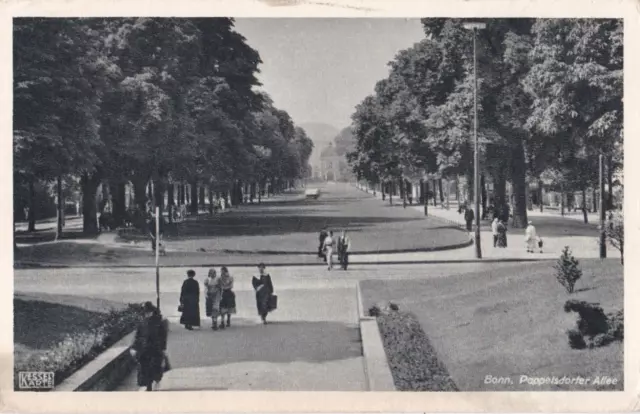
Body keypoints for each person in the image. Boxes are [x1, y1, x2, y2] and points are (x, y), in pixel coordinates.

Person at [130, 301, 168, 391]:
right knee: (145, 368)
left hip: (155, 349)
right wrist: (134, 347)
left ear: (152, 311)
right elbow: (138, 336)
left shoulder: (158, 322)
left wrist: (162, 347)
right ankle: (148, 385)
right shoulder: (142, 322)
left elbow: (163, 336)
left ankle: (152, 383)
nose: (147, 314)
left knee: (153, 368)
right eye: (145, 312)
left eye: (148, 312)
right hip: (144, 350)